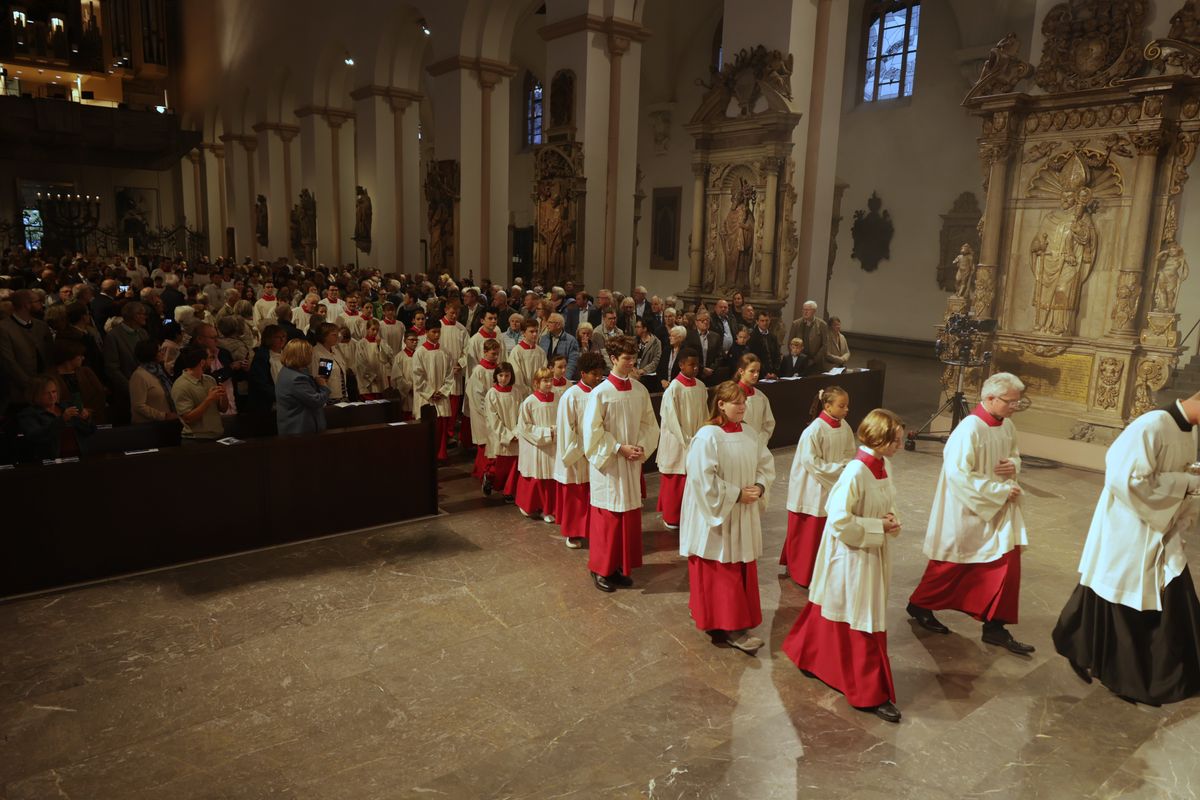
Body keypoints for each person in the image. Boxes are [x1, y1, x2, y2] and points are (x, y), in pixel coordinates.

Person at [1052, 390, 1200, 705]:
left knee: (1144, 592)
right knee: (1120, 595)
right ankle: (1122, 674)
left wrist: (1188, 487)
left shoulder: (1189, 429)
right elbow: (1126, 480)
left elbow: (1181, 473)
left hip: (1161, 524)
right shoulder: (1152, 425)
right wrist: (1185, 484)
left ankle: (1090, 651)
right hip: (1130, 525)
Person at [783, 408, 906, 722]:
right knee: (859, 616)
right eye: (895, 440)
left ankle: (809, 655)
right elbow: (838, 518)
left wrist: (891, 519)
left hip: (870, 552)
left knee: (841, 609)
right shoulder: (855, 471)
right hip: (851, 555)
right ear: (878, 437)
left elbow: (887, 501)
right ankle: (868, 691)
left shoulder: (883, 465)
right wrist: (878, 526)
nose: (898, 446)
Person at [907, 372, 1034, 655]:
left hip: (1000, 510)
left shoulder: (1007, 426)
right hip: (968, 510)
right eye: (1010, 401)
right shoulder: (969, 430)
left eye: (1017, 402)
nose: (1014, 406)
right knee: (952, 564)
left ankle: (995, 628)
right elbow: (958, 475)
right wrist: (998, 491)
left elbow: (1014, 454)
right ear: (989, 398)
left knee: (1006, 565)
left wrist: (1013, 465)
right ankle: (920, 604)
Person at [679, 380, 775, 654]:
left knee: (738, 565)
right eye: (736, 402)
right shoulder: (707, 436)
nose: (743, 407)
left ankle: (721, 617)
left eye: (744, 402)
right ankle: (731, 626)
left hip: (742, 511)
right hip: (718, 516)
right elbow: (701, 479)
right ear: (720, 404)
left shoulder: (748, 432)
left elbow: (764, 464)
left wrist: (759, 486)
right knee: (722, 568)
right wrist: (734, 494)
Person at [582, 336, 660, 592]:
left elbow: (650, 425)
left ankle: (617, 567)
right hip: (609, 465)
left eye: (633, 358)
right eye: (626, 358)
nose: (631, 363)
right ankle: (600, 569)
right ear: (613, 359)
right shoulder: (600, 393)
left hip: (630, 462)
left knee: (625, 518)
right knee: (608, 518)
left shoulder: (639, 390)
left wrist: (641, 447)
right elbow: (592, 432)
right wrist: (618, 448)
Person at [781, 387, 855, 587]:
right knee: (810, 533)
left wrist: (844, 468)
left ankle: (823, 570)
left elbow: (850, 451)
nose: (846, 409)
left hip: (833, 481)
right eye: (841, 405)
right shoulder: (814, 430)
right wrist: (839, 470)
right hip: (813, 486)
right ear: (827, 405)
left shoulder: (844, 426)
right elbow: (811, 463)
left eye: (847, 405)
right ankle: (803, 572)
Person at [555, 351, 605, 549]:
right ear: (583, 374)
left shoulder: (600, 393)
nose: (598, 378)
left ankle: (592, 528)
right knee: (576, 495)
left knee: (592, 493)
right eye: (594, 374)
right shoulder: (571, 396)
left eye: (600, 373)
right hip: (578, 453)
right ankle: (573, 532)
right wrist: (583, 448)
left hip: (596, 451)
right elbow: (567, 428)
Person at [657, 351, 708, 530]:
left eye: (697, 365)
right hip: (677, 441)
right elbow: (670, 418)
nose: (695, 368)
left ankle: (689, 513)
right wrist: (686, 439)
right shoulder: (674, 388)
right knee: (676, 478)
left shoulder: (701, 386)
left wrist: (702, 436)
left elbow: (705, 414)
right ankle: (671, 516)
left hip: (695, 438)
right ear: (681, 365)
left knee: (691, 477)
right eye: (691, 365)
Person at [512, 367, 560, 522]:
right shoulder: (530, 402)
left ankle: (548, 509)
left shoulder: (558, 398)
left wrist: (557, 431)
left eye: (550, 380)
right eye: (545, 381)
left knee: (551, 479)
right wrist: (546, 432)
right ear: (536, 383)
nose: (548, 384)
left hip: (554, 445)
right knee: (538, 478)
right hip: (537, 447)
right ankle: (534, 507)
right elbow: (524, 427)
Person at [15, 374, 94, 462]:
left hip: (80, 458)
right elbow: (35, 436)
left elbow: (89, 431)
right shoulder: (28, 414)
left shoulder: (67, 406)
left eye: (54, 391)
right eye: (46, 393)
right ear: (35, 394)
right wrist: (62, 420)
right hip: (50, 462)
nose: (52, 396)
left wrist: (85, 418)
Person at [412, 320, 455, 462]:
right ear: (426, 332)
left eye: (439, 332)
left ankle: (441, 456)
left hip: (441, 396)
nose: (437, 335)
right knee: (428, 429)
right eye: (433, 332)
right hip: (426, 398)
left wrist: (442, 391)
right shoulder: (420, 352)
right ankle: (426, 458)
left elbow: (450, 374)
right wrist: (431, 392)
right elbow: (417, 376)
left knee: (441, 428)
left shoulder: (445, 352)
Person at [102, 301, 150, 423]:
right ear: (135, 316)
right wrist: (131, 387)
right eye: (143, 314)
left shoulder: (143, 333)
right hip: (127, 393)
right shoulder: (113, 336)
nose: (145, 316)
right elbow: (112, 368)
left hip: (148, 387)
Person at [171, 346, 228, 444]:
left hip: (217, 435)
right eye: (210, 358)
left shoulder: (210, 380)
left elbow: (223, 409)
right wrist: (209, 399)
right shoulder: (181, 385)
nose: (212, 360)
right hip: (196, 439)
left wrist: (224, 395)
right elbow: (188, 419)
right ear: (202, 363)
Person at [483, 362, 522, 501]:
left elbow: (521, 415)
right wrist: (508, 435)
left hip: (515, 433)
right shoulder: (492, 394)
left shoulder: (516, 392)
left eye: (507, 375)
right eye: (500, 375)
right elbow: (493, 419)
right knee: (497, 464)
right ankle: (489, 478)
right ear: (496, 376)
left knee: (512, 465)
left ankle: (509, 491)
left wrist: (516, 432)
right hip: (499, 434)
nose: (503, 378)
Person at [275, 339, 331, 436]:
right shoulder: (297, 378)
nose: (311, 356)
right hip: (300, 430)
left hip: (292, 427)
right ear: (302, 355)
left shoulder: (286, 371)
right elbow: (316, 401)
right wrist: (323, 386)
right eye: (309, 353)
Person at [467, 338, 502, 479]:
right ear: (485, 352)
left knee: (494, 442)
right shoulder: (479, 371)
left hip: (494, 412)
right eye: (493, 354)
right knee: (485, 443)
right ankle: (482, 472)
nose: (495, 357)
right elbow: (477, 395)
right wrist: (487, 412)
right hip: (481, 413)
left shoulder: (498, 369)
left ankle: (491, 472)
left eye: (497, 354)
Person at [129, 339, 177, 424]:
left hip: (165, 423)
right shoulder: (139, 376)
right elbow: (138, 406)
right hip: (148, 426)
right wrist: (163, 416)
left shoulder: (159, 371)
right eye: (159, 351)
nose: (162, 353)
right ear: (150, 354)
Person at [735, 354, 775, 449]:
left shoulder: (760, 396)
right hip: (737, 445)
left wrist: (760, 441)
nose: (756, 375)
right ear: (741, 371)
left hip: (757, 445)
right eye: (752, 371)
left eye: (758, 371)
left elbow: (768, 423)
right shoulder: (732, 395)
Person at [787, 300, 830, 376]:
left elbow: (825, 345)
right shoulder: (796, 324)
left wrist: (814, 360)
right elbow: (790, 342)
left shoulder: (822, 325)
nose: (805, 312)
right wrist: (796, 357)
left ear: (814, 311)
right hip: (798, 362)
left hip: (815, 363)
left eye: (808, 310)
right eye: (803, 309)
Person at [355, 319, 394, 399]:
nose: (375, 332)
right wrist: (372, 376)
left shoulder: (382, 342)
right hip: (367, 382)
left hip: (381, 380)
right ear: (367, 329)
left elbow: (387, 359)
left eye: (377, 330)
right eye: (373, 329)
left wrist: (379, 345)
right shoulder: (361, 344)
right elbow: (360, 363)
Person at [311, 323, 350, 403]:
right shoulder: (318, 353)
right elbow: (321, 379)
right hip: (329, 399)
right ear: (324, 336)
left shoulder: (335, 350)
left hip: (343, 397)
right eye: (334, 335)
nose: (337, 337)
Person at [510, 318, 547, 393]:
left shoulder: (541, 352)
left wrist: (539, 388)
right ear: (523, 333)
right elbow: (517, 376)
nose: (535, 334)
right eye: (531, 331)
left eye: (536, 331)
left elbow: (544, 372)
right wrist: (528, 390)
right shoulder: (516, 351)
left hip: (539, 391)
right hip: (523, 393)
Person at [685, 312, 723, 385]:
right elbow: (688, 356)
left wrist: (711, 369)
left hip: (712, 374)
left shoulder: (716, 337)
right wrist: (702, 369)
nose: (705, 322)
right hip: (694, 373)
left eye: (707, 320)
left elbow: (720, 356)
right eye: (702, 320)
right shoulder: (689, 336)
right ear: (696, 322)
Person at [539, 313, 579, 380]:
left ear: (558, 325)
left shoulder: (571, 340)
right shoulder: (543, 339)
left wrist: (565, 379)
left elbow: (572, 362)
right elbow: (540, 359)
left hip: (562, 378)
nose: (547, 324)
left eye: (550, 322)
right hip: (546, 377)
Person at [390, 328, 420, 420]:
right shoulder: (399, 357)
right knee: (407, 416)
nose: (414, 342)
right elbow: (397, 377)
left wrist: (418, 387)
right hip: (406, 393)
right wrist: (409, 387)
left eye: (416, 340)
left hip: (418, 391)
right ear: (405, 341)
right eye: (412, 340)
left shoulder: (420, 355)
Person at [746, 311, 780, 377]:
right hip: (758, 374)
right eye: (762, 321)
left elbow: (777, 356)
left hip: (773, 375)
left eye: (767, 320)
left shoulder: (773, 337)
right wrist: (764, 373)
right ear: (757, 321)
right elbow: (753, 358)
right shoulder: (752, 337)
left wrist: (775, 372)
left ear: (770, 321)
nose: (765, 323)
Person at [634, 318, 661, 388]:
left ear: (645, 328)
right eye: (635, 327)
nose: (636, 329)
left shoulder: (656, 342)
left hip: (648, 375)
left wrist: (644, 370)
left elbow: (656, 361)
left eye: (638, 327)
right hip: (634, 373)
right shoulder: (634, 340)